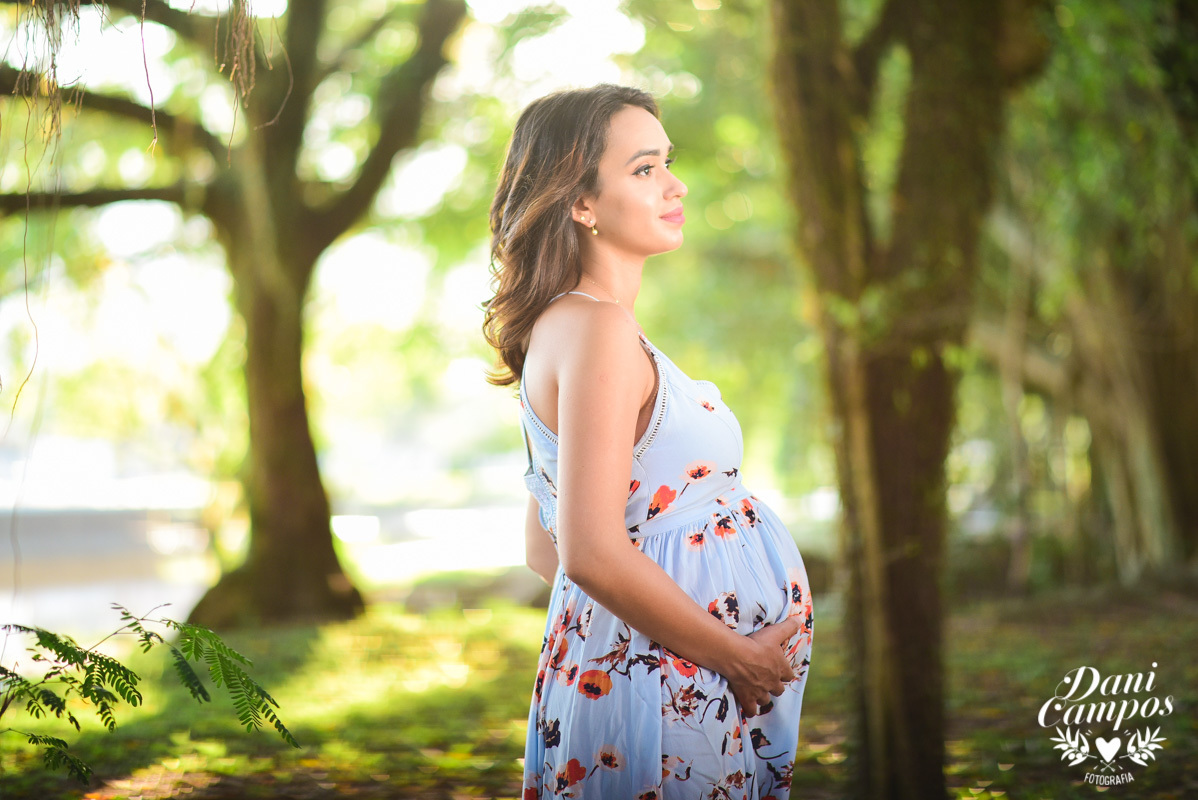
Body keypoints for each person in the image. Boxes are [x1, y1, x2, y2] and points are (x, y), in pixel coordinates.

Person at [482, 84, 814, 800]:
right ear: (581, 202)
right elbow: (589, 553)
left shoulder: (580, 326)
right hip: (666, 692)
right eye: (645, 169)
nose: (675, 184)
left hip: (665, 676)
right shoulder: (595, 329)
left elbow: (547, 548)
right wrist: (732, 655)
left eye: (668, 162)